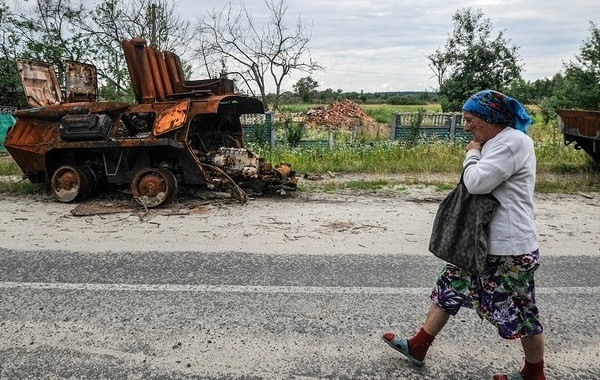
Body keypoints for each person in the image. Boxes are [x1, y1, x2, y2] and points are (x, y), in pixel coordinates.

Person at [382, 90, 545, 380]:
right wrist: (478, 152)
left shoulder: (512, 143)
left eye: (470, 120)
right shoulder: (498, 141)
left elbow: (476, 182)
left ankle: (534, 373)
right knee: (449, 287)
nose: (467, 126)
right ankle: (418, 346)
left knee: (521, 311)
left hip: (508, 248)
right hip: (481, 243)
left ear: (489, 118)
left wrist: (472, 153)